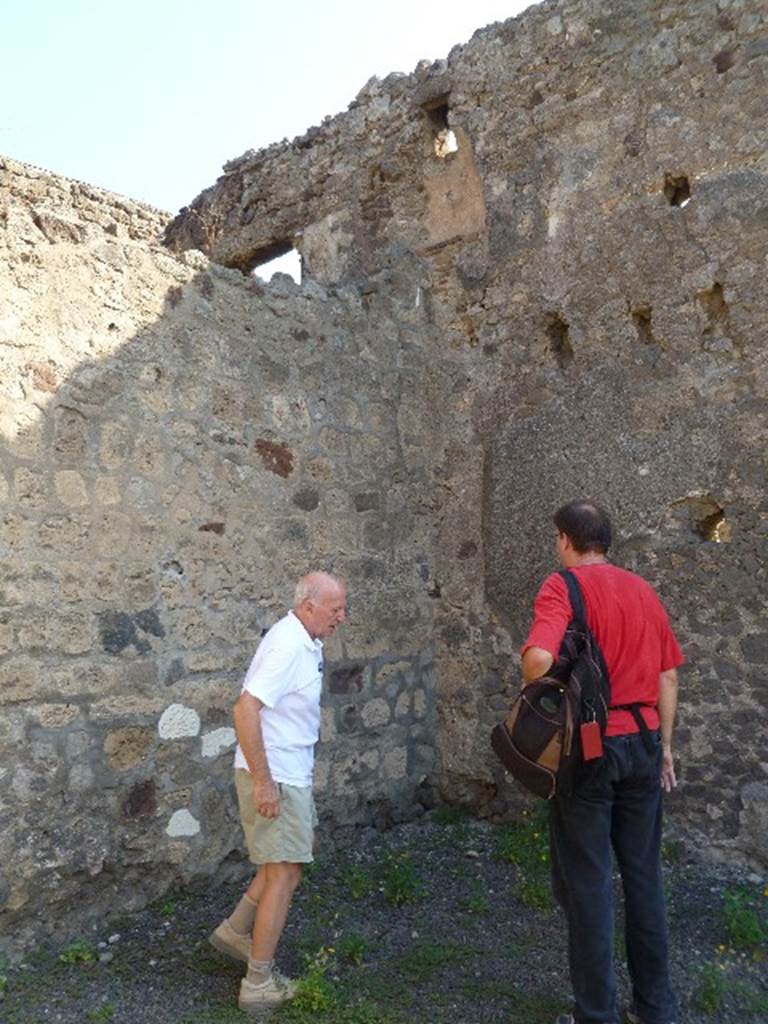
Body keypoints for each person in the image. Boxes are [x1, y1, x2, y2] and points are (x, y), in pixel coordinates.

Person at [521, 501, 682, 1024]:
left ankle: (597, 1014)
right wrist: (666, 749)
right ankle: (656, 1009)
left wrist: (541, 672)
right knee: (644, 878)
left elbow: (538, 661)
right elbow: (668, 676)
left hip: (591, 749)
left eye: (556, 538)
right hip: (644, 744)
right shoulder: (643, 590)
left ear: (567, 539)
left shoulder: (562, 586)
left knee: (589, 884)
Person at [209, 571, 347, 1014]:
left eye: (343, 608)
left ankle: (234, 931)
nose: (342, 617)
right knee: (285, 874)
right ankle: (258, 983)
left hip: (287, 774)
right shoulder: (288, 643)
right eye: (335, 609)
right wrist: (265, 783)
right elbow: (245, 708)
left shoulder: (304, 639)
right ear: (308, 606)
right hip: (278, 776)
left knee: (279, 866)